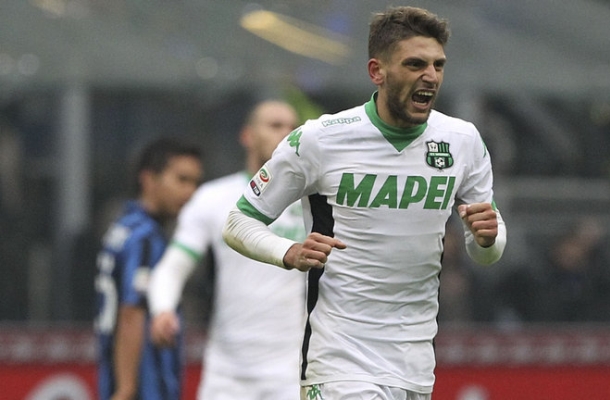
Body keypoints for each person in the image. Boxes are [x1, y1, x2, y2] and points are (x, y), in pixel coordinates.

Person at [222, 6, 507, 400]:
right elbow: (238, 221)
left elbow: (486, 250)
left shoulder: (463, 140)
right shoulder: (321, 138)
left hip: (414, 364)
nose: (431, 76)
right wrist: (287, 251)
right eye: (415, 64)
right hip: (339, 359)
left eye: (438, 65)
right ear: (377, 71)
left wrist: (488, 238)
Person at [147, 100, 307, 399]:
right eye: (275, 125)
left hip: (290, 371)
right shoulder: (213, 198)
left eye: (292, 127)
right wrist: (162, 309)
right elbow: (173, 266)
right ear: (247, 136)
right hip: (226, 374)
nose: (286, 133)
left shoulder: (311, 202)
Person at [94, 137, 203, 400]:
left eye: (195, 183)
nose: (190, 192)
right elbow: (131, 313)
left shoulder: (123, 227)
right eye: (181, 180)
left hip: (111, 371)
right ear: (149, 179)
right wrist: (126, 388)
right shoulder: (145, 238)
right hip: (146, 384)